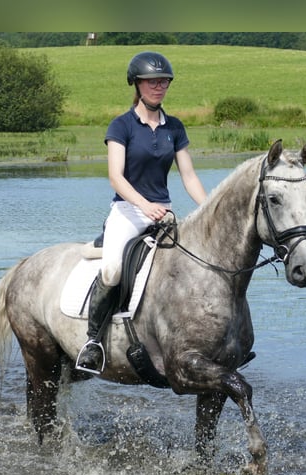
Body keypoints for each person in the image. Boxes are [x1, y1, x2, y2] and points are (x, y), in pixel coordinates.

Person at [77, 51, 208, 373]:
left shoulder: (174, 127)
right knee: (112, 271)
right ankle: (93, 342)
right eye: (152, 81)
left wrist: (208, 209)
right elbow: (116, 177)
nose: (158, 86)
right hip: (128, 211)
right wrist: (144, 205)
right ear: (137, 84)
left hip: (164, 213)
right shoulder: (121, 126)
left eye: (163, 81)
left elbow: (188, 176)